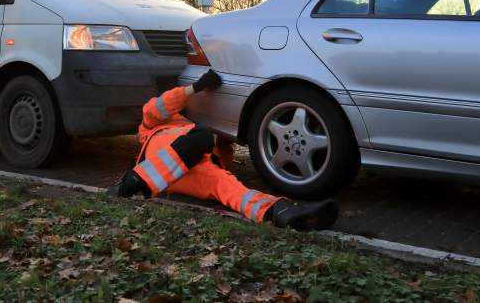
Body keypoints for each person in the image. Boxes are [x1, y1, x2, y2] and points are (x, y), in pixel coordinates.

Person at [109, 69, 339, 230]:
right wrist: (195, 88)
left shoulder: (196, 130)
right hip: (159, 160)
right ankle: (133, 181)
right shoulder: (150, 126)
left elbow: (220, 156)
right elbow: (160, 105)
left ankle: (281, 211)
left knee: (228, 186)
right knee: (202, 135)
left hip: (184, 173)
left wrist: (227, 140)